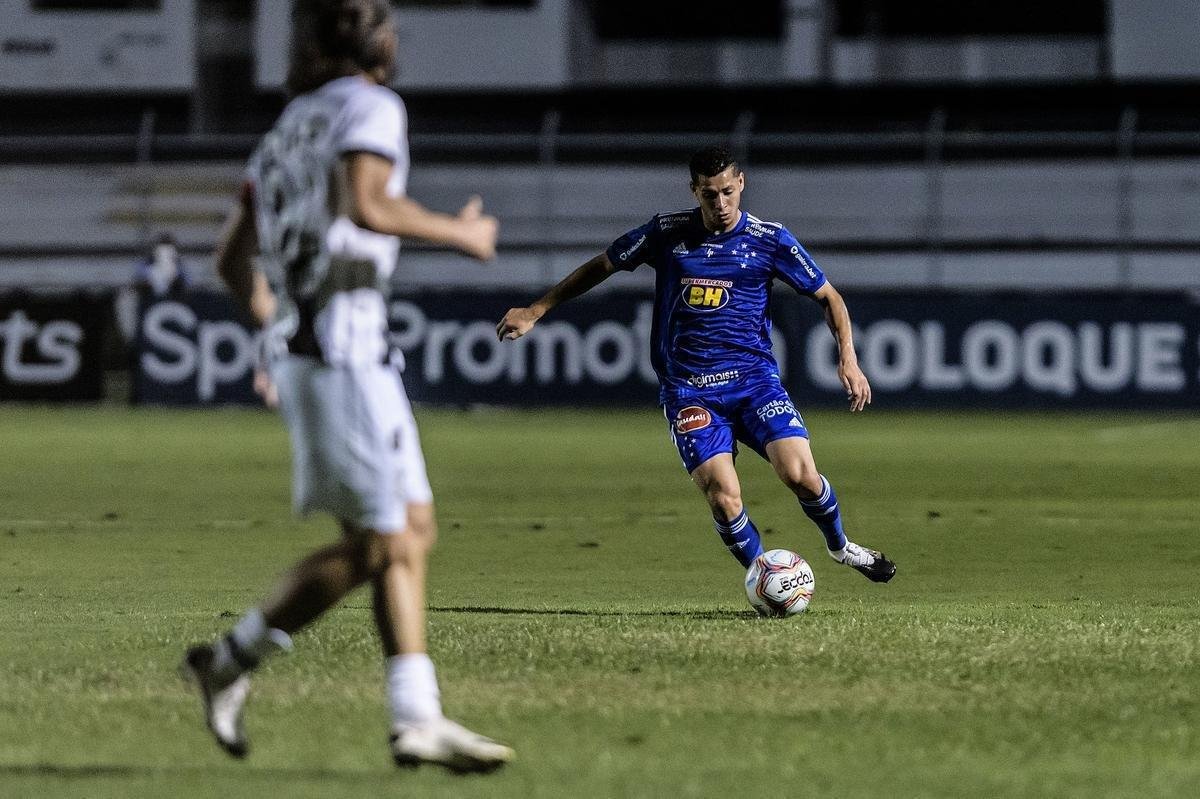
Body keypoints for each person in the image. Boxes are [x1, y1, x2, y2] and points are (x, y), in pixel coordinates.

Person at [180, 0, 513, 772]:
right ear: (375, 43)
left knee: (410, 530)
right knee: (384, 539)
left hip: (332, 347)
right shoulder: (371, 106)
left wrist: (276, 333)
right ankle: (229, 661)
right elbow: (368, 201)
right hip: (342, 348)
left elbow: (233, 262)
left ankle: (414, 716)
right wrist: (461, 232)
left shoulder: (286, 128)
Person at [497, 146, 896, 585]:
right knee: (724, 498)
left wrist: (849, 359)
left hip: (754, 383)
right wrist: (537, 309)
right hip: (689, 390)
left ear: (741, 183)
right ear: (694, 191)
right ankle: (766, 579)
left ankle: (841, 547)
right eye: (710, 195)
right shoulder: (667, 232)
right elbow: (603, 265)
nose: (721, 205)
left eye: (728, 192)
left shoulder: (770, 239)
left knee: (800, 475)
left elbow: (829, 297)